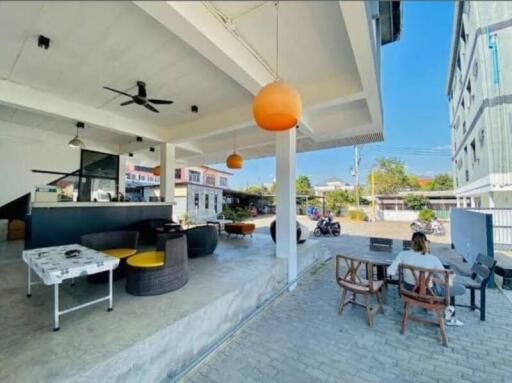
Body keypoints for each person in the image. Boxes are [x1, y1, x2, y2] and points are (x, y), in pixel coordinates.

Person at [387, 232, 465, 326]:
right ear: (426, 243)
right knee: (460, 288)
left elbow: (390, 272)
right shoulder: (433, 259)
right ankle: (449, 316)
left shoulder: (403, 254)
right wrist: (451, 276)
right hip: (429, 293)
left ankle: (435, 308)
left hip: (409, 291)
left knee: (435, 284)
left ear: (412, 242)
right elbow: (446, 281)